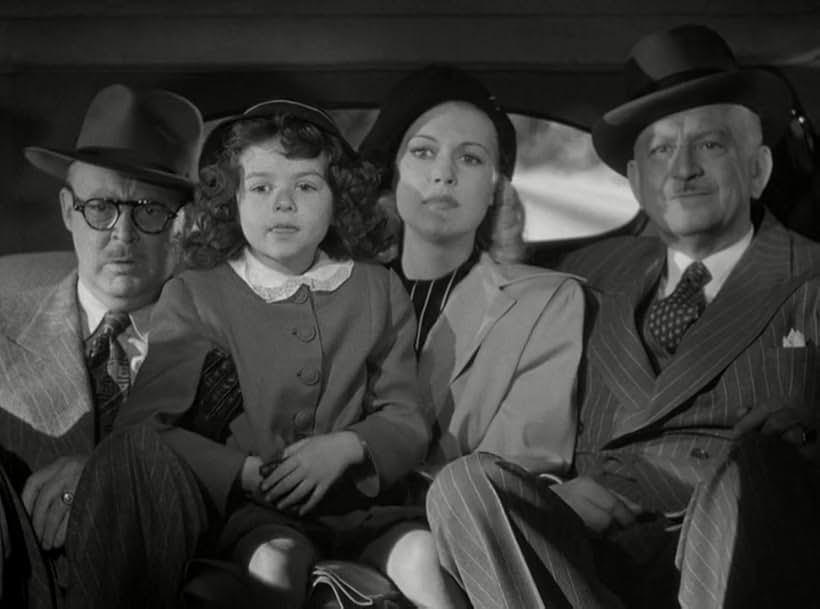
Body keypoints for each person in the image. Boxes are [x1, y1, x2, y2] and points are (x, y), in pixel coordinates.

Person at [426, 24, 820, 609]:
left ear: (758, 169)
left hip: (728, 544)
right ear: (636, 183)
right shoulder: (590, 270)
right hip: (586, 553)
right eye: (660, 150)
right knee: (463, 487)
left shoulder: (809, 274)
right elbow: (494, 282)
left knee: (753, 472)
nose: (682, 169)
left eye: (710, 145)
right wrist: (556, 491)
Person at [116, 99, 466, 609]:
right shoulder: (196, 294)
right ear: (231, 199)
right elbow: (145, 428)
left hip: (362, 505)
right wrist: (243, 472)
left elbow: (406, 417)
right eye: (260, 187)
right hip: (256, 509)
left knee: (423, 556)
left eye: (306, 186)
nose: (284, 204)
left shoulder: (377, 288)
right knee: (275, 564)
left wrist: (350, 446)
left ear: (337, 200)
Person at [0, 84, 208, 608]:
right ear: (68, 210)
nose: (123, 234)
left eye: (149, 210)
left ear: (185, 225)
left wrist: (108, 479)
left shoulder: (225, 343)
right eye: (100, 207)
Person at [359, 65, 584, 476]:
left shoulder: (547, 303)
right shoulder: (331, 289)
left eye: (470, 158)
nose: (444, 173)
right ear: (393, 175)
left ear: (495, 189)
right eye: (423, 152)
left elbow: (524, 466)